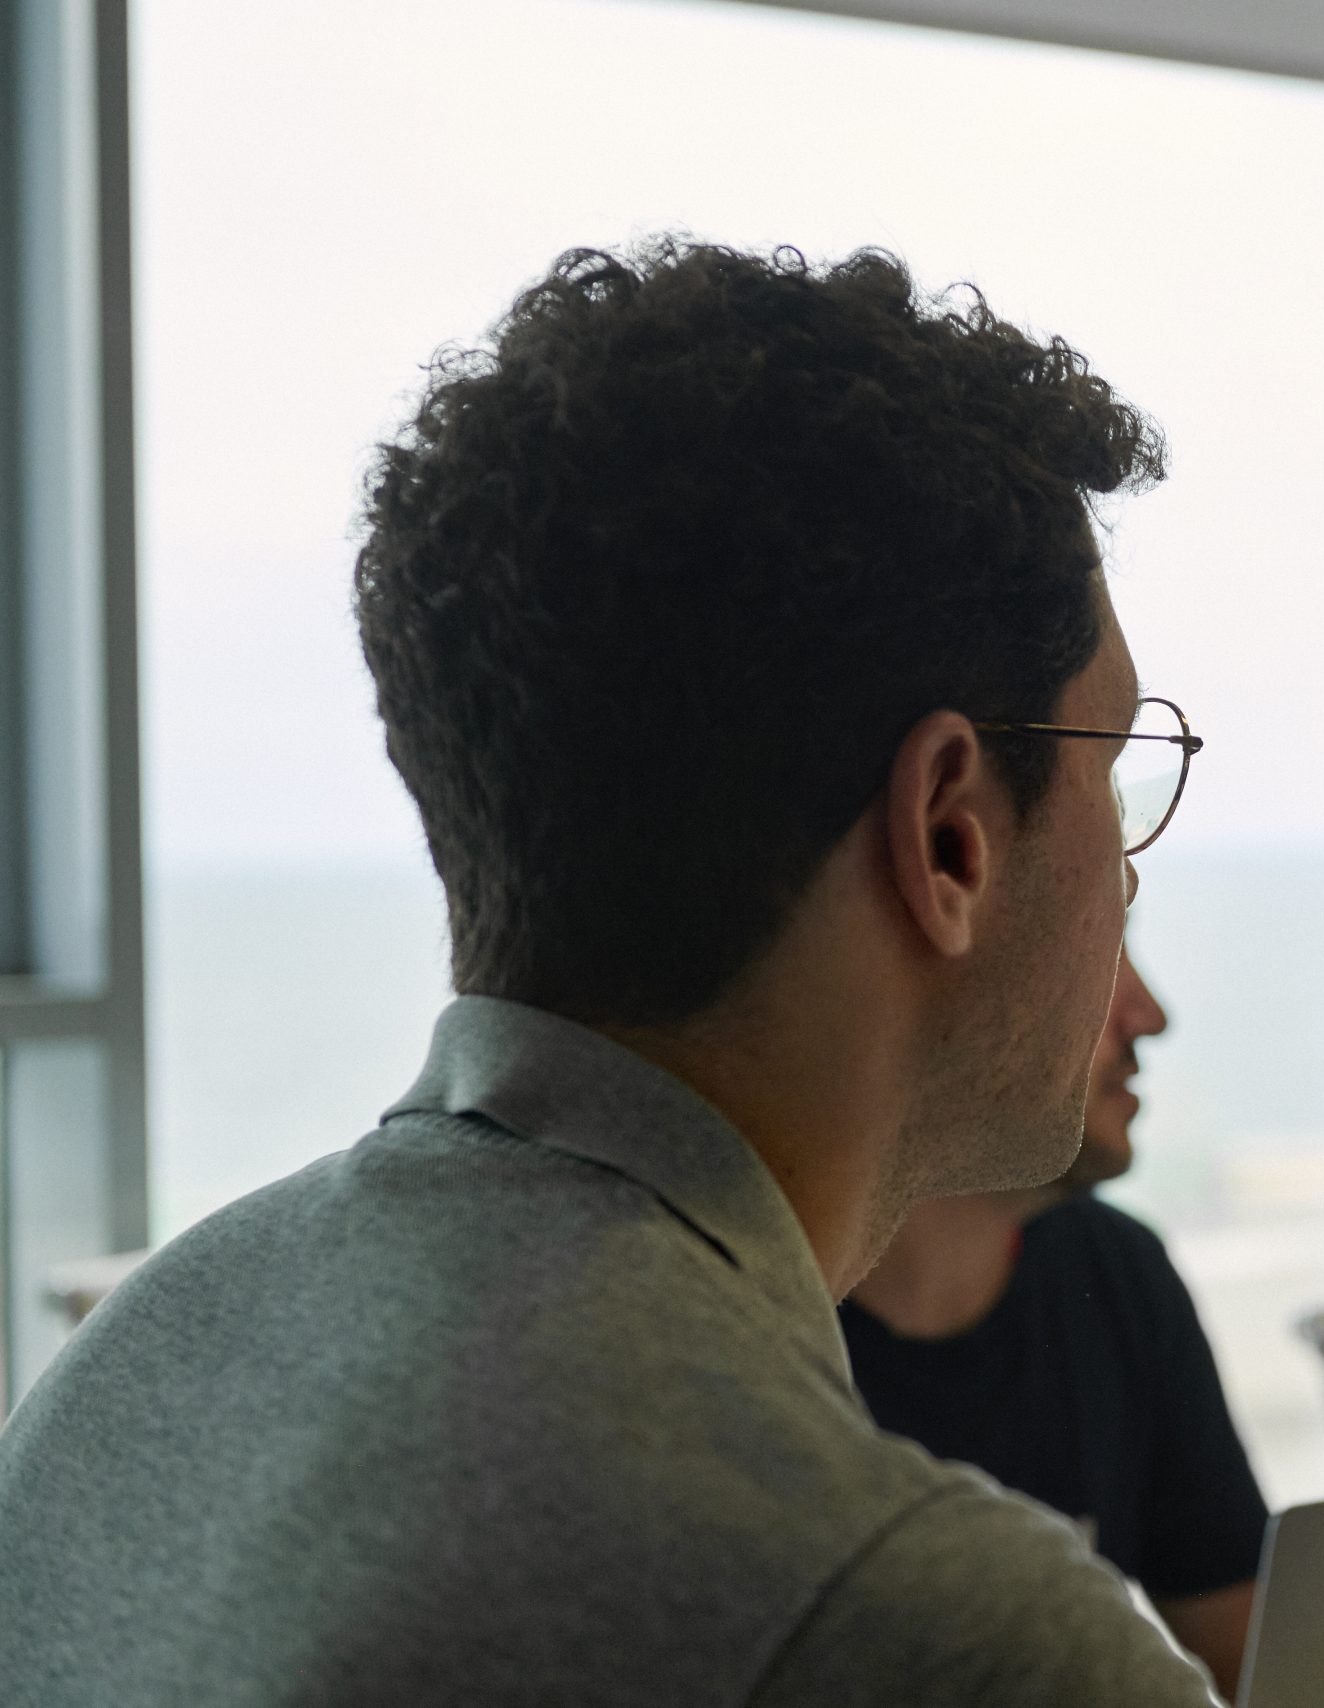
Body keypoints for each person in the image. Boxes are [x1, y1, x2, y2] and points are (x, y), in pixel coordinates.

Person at [0, 240, 1222, 1705]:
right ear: (951, 834)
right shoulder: (926, 1624)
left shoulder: (144, 1364)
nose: (1130, 869)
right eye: (1117, 759)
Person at [843, 951, 1266, 1698]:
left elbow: (1270, 1667)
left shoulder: (1116, 1273)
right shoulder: (746, 1326)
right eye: (1099, 955)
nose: (1151, 1018)